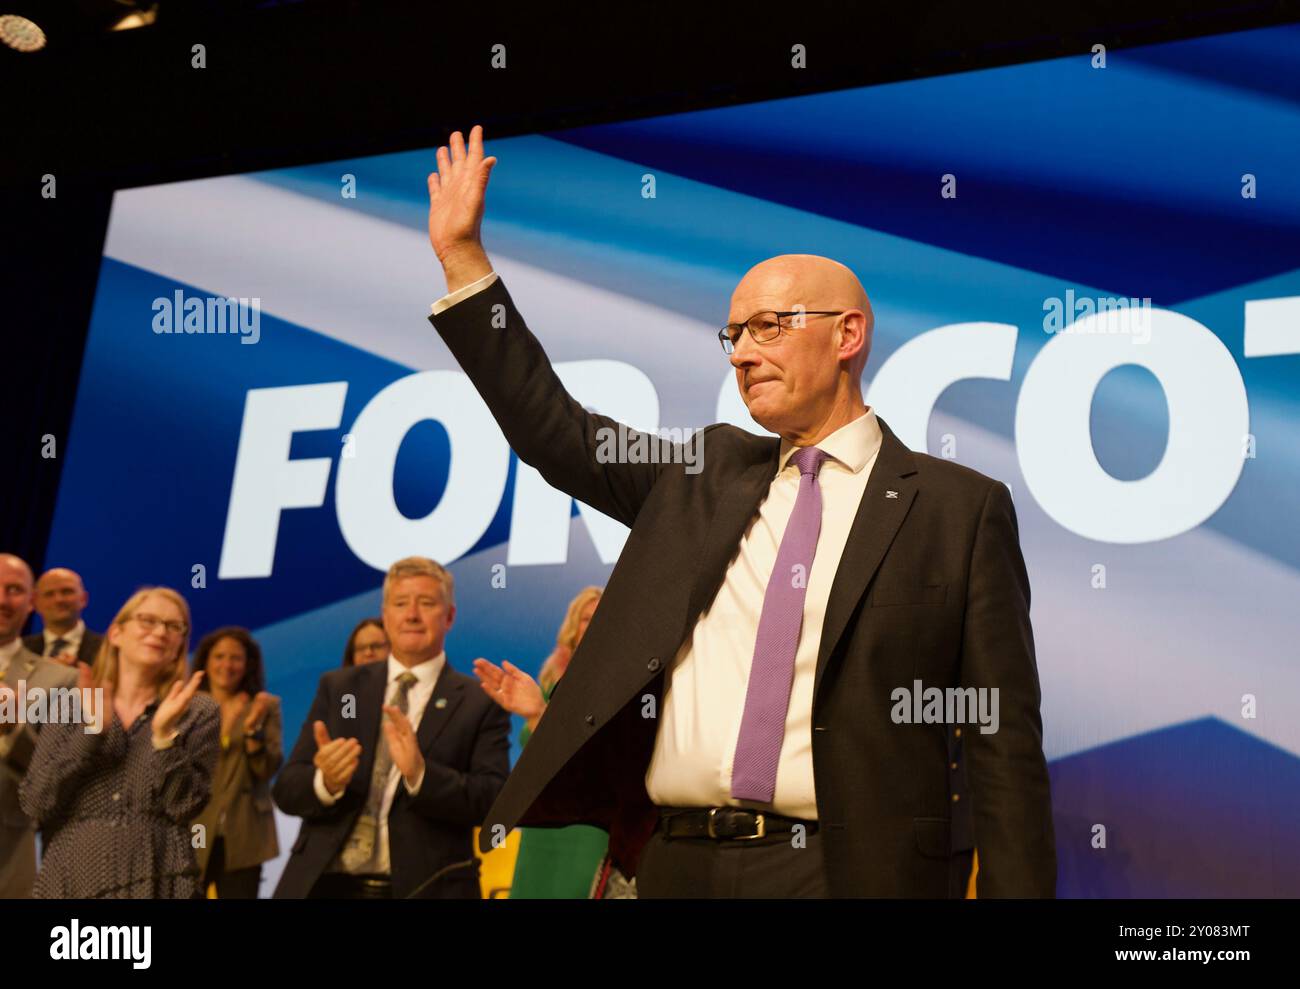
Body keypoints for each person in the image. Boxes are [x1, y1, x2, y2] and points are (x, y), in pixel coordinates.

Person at [423, 126, 1056, 898]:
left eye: (768, 327)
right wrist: (464, 260)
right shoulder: (705, 473)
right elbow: (554, 431)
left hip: (848, 872)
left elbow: (1001, 741)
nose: (742, 352)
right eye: (734, 334)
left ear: (848, 334)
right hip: (678, 863)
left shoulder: (958, 509)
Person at [273, 557, 511, 899]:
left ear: (450, 617)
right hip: (326, 884)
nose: (412, 614)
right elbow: (287, 790)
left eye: (427, 603)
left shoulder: (479, 701)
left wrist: (420, 775)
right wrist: (324, 782)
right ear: (386, 616)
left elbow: (493, 801)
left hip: (426, 887)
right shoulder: (340, 687)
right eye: (400, 604)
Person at [19, 586, 219, 898]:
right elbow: (36, 802)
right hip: (73, 878)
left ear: (180, 644)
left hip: (158, 878)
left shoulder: (197, 711)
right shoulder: (72, 704)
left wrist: (165, 738)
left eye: (173, 626)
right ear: (116, 634)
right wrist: (92, 731)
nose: (160, 632)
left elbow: (186, 805)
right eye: (148, 620)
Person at [473, 587, 621, 898]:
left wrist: (540, 714)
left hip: (589, 830)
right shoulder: (548, 685)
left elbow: (597, 767)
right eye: (585, 619)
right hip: (540, 833)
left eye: (604, 616)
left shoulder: (625, 688)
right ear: (572, 629)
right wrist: (536, 712)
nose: (593, 625)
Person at [0, 554, 78, 898]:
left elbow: (65, 773)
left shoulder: (63, 678)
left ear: (31, 602)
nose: (2, 599)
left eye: (14, 590)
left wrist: (15, 730)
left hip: (8, 850)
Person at [190, 626, 282, 898]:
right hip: (195, 827)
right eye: (219, 656)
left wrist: (253, 731)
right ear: (206, 660)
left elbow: (266, 770)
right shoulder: (188, 705)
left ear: (248, 664)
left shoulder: (264, 705)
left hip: (246, 832)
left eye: (235, 658)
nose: (226, 665)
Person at [22, 567, 104, 667]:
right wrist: (26, 682)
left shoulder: (106, 649)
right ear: (35, 603)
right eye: (49, 594)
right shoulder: (21, 649)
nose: (59, 600)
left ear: (84, 599)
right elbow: (20, 682)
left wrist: (76, 675)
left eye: (66, 592)